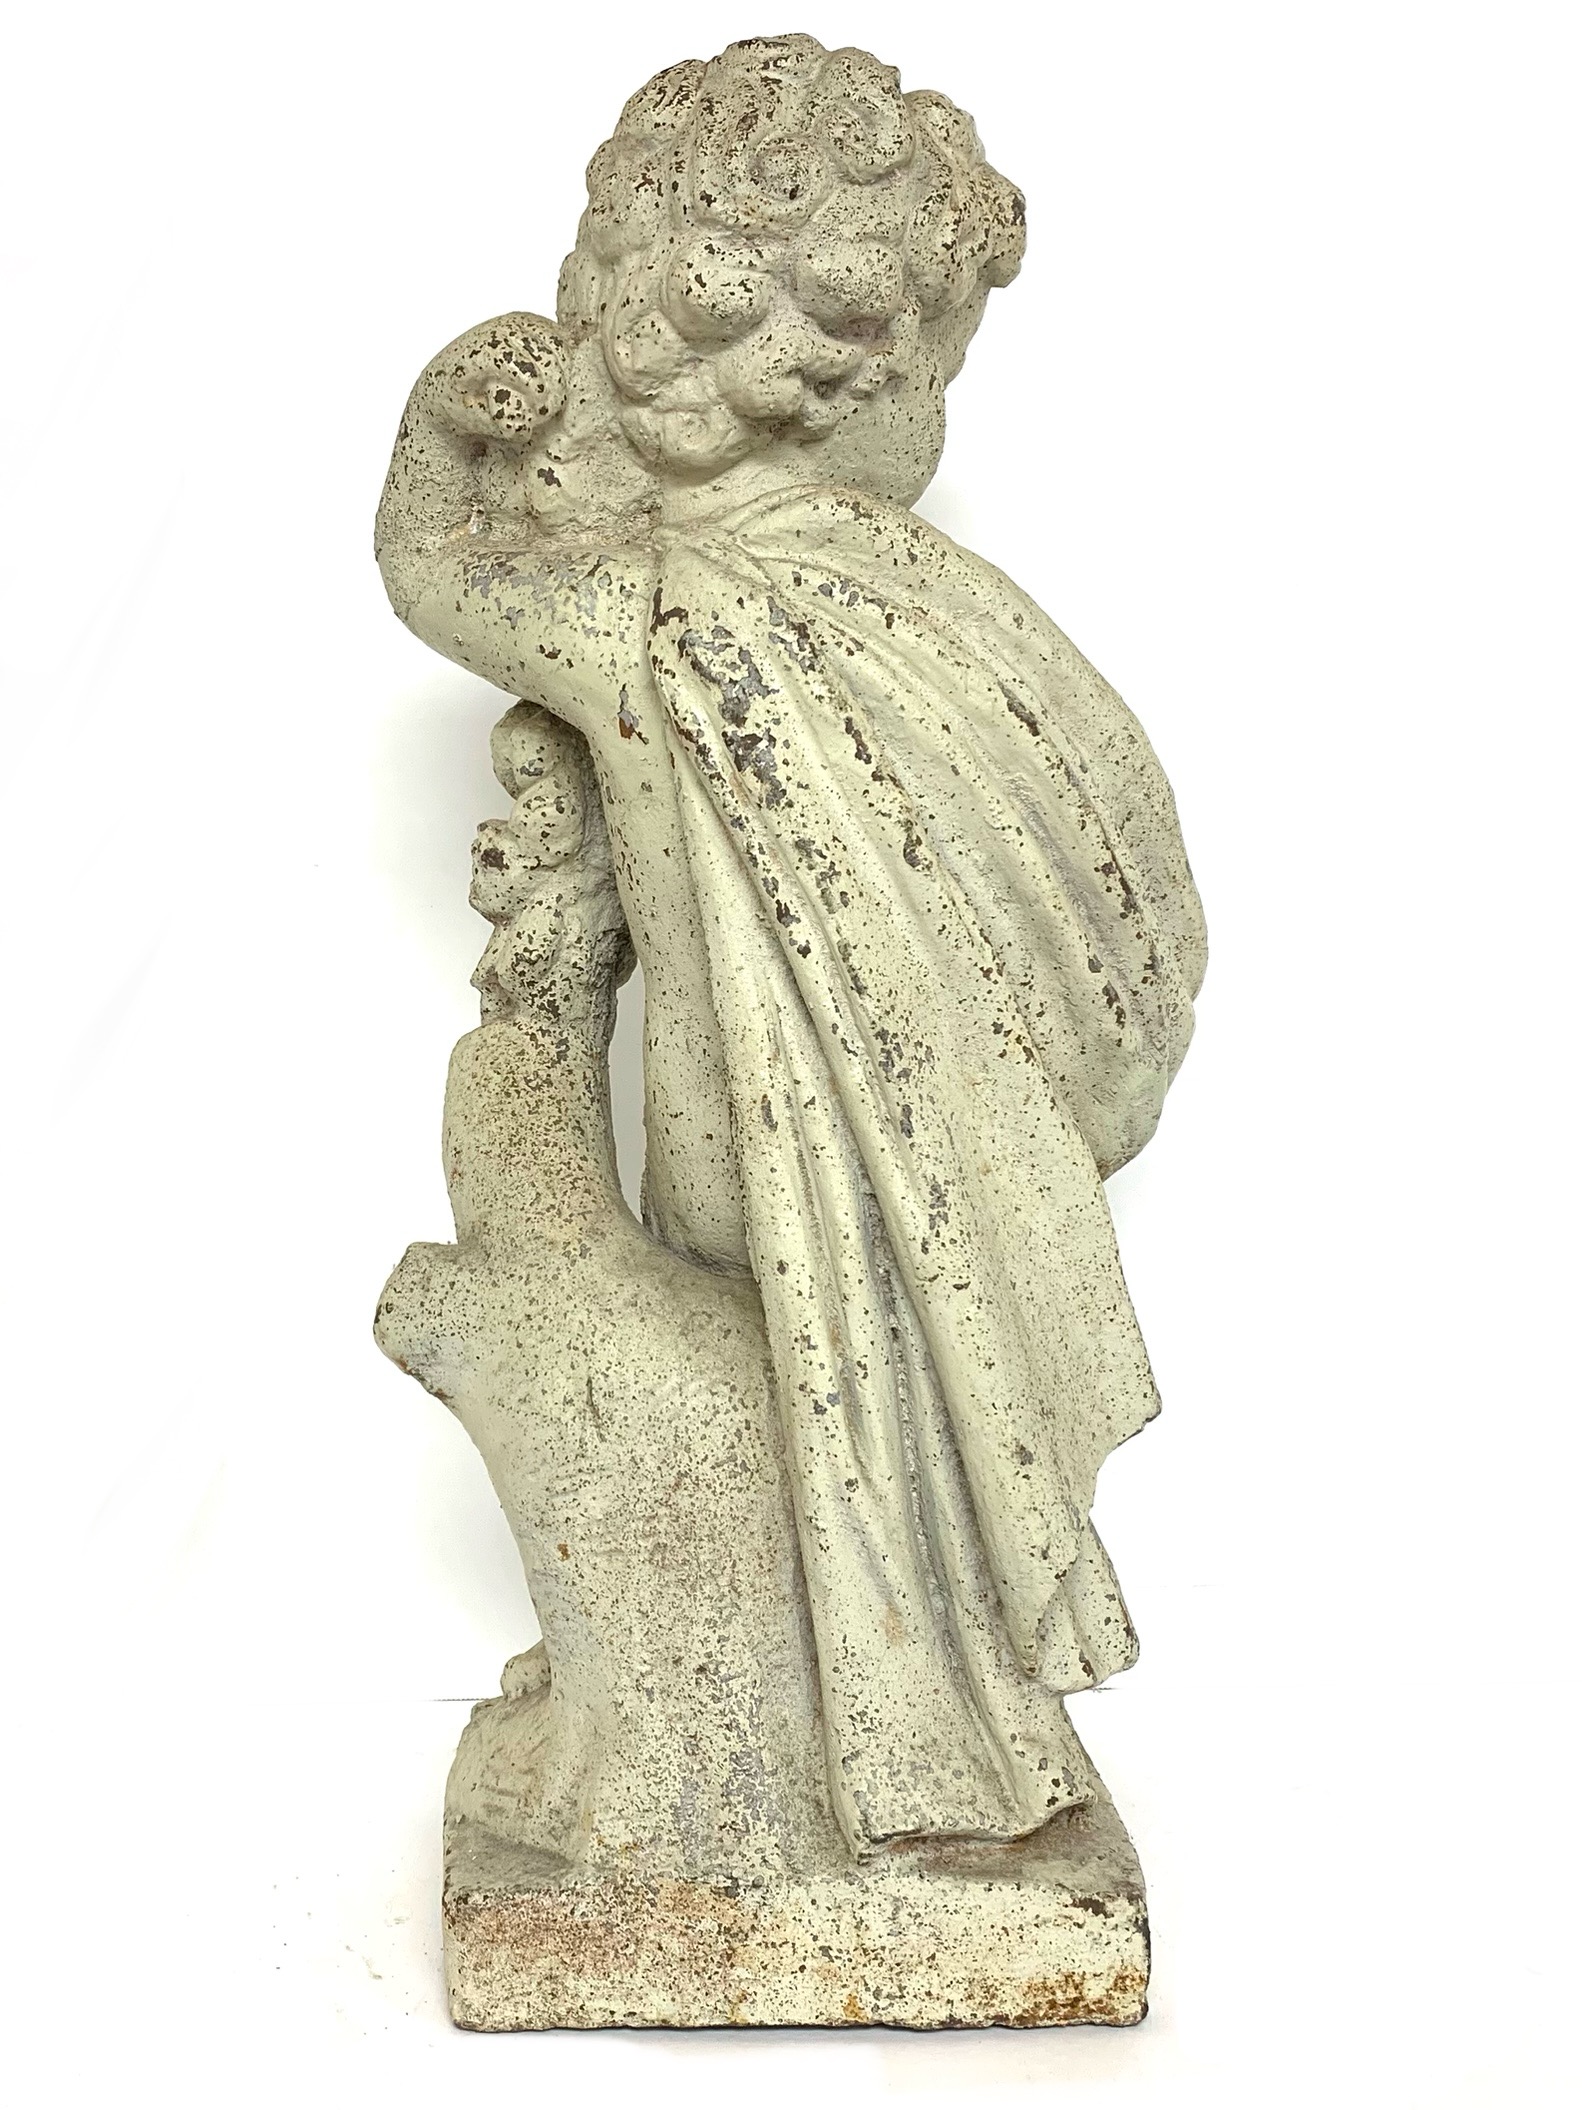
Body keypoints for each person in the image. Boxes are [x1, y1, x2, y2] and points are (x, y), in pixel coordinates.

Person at [376, 34, 1207, 1856]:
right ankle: (865, 1726)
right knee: (855, 1428)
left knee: (791, 1408)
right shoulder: (940, 617)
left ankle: (807, 1756)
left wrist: (442, 426)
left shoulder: (644, 607)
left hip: (764, 1139)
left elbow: (435, 569)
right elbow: (1125, 936)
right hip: (876, 1144)